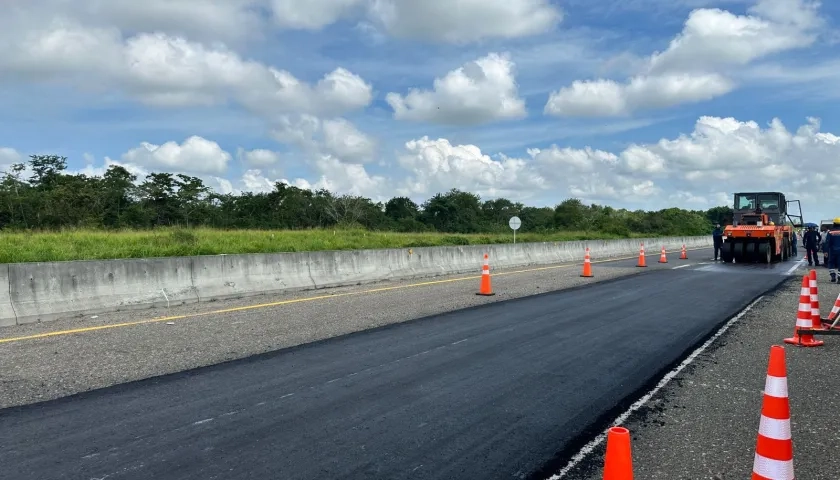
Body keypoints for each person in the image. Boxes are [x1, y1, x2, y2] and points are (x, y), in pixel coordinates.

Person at [826, 218, 840, 282]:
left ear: (834, 223)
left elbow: (827, 242)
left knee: (831, 263)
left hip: (832, 250)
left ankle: (833, 276)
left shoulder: (830, 232)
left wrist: (825, 251)